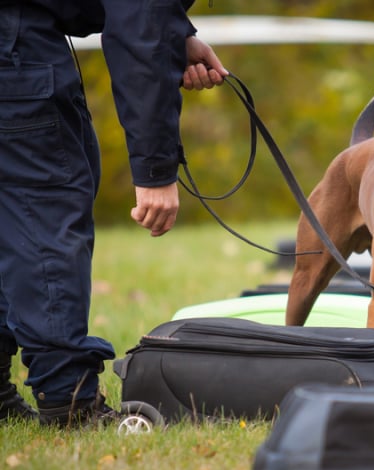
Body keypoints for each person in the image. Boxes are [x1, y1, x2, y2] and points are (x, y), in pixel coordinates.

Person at [0, 0, 228, 426]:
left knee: (9, 217)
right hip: (14, 46)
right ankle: (70, 404)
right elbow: (140, 28)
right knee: (44, 210)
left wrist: (176, 34)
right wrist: (156, 171)